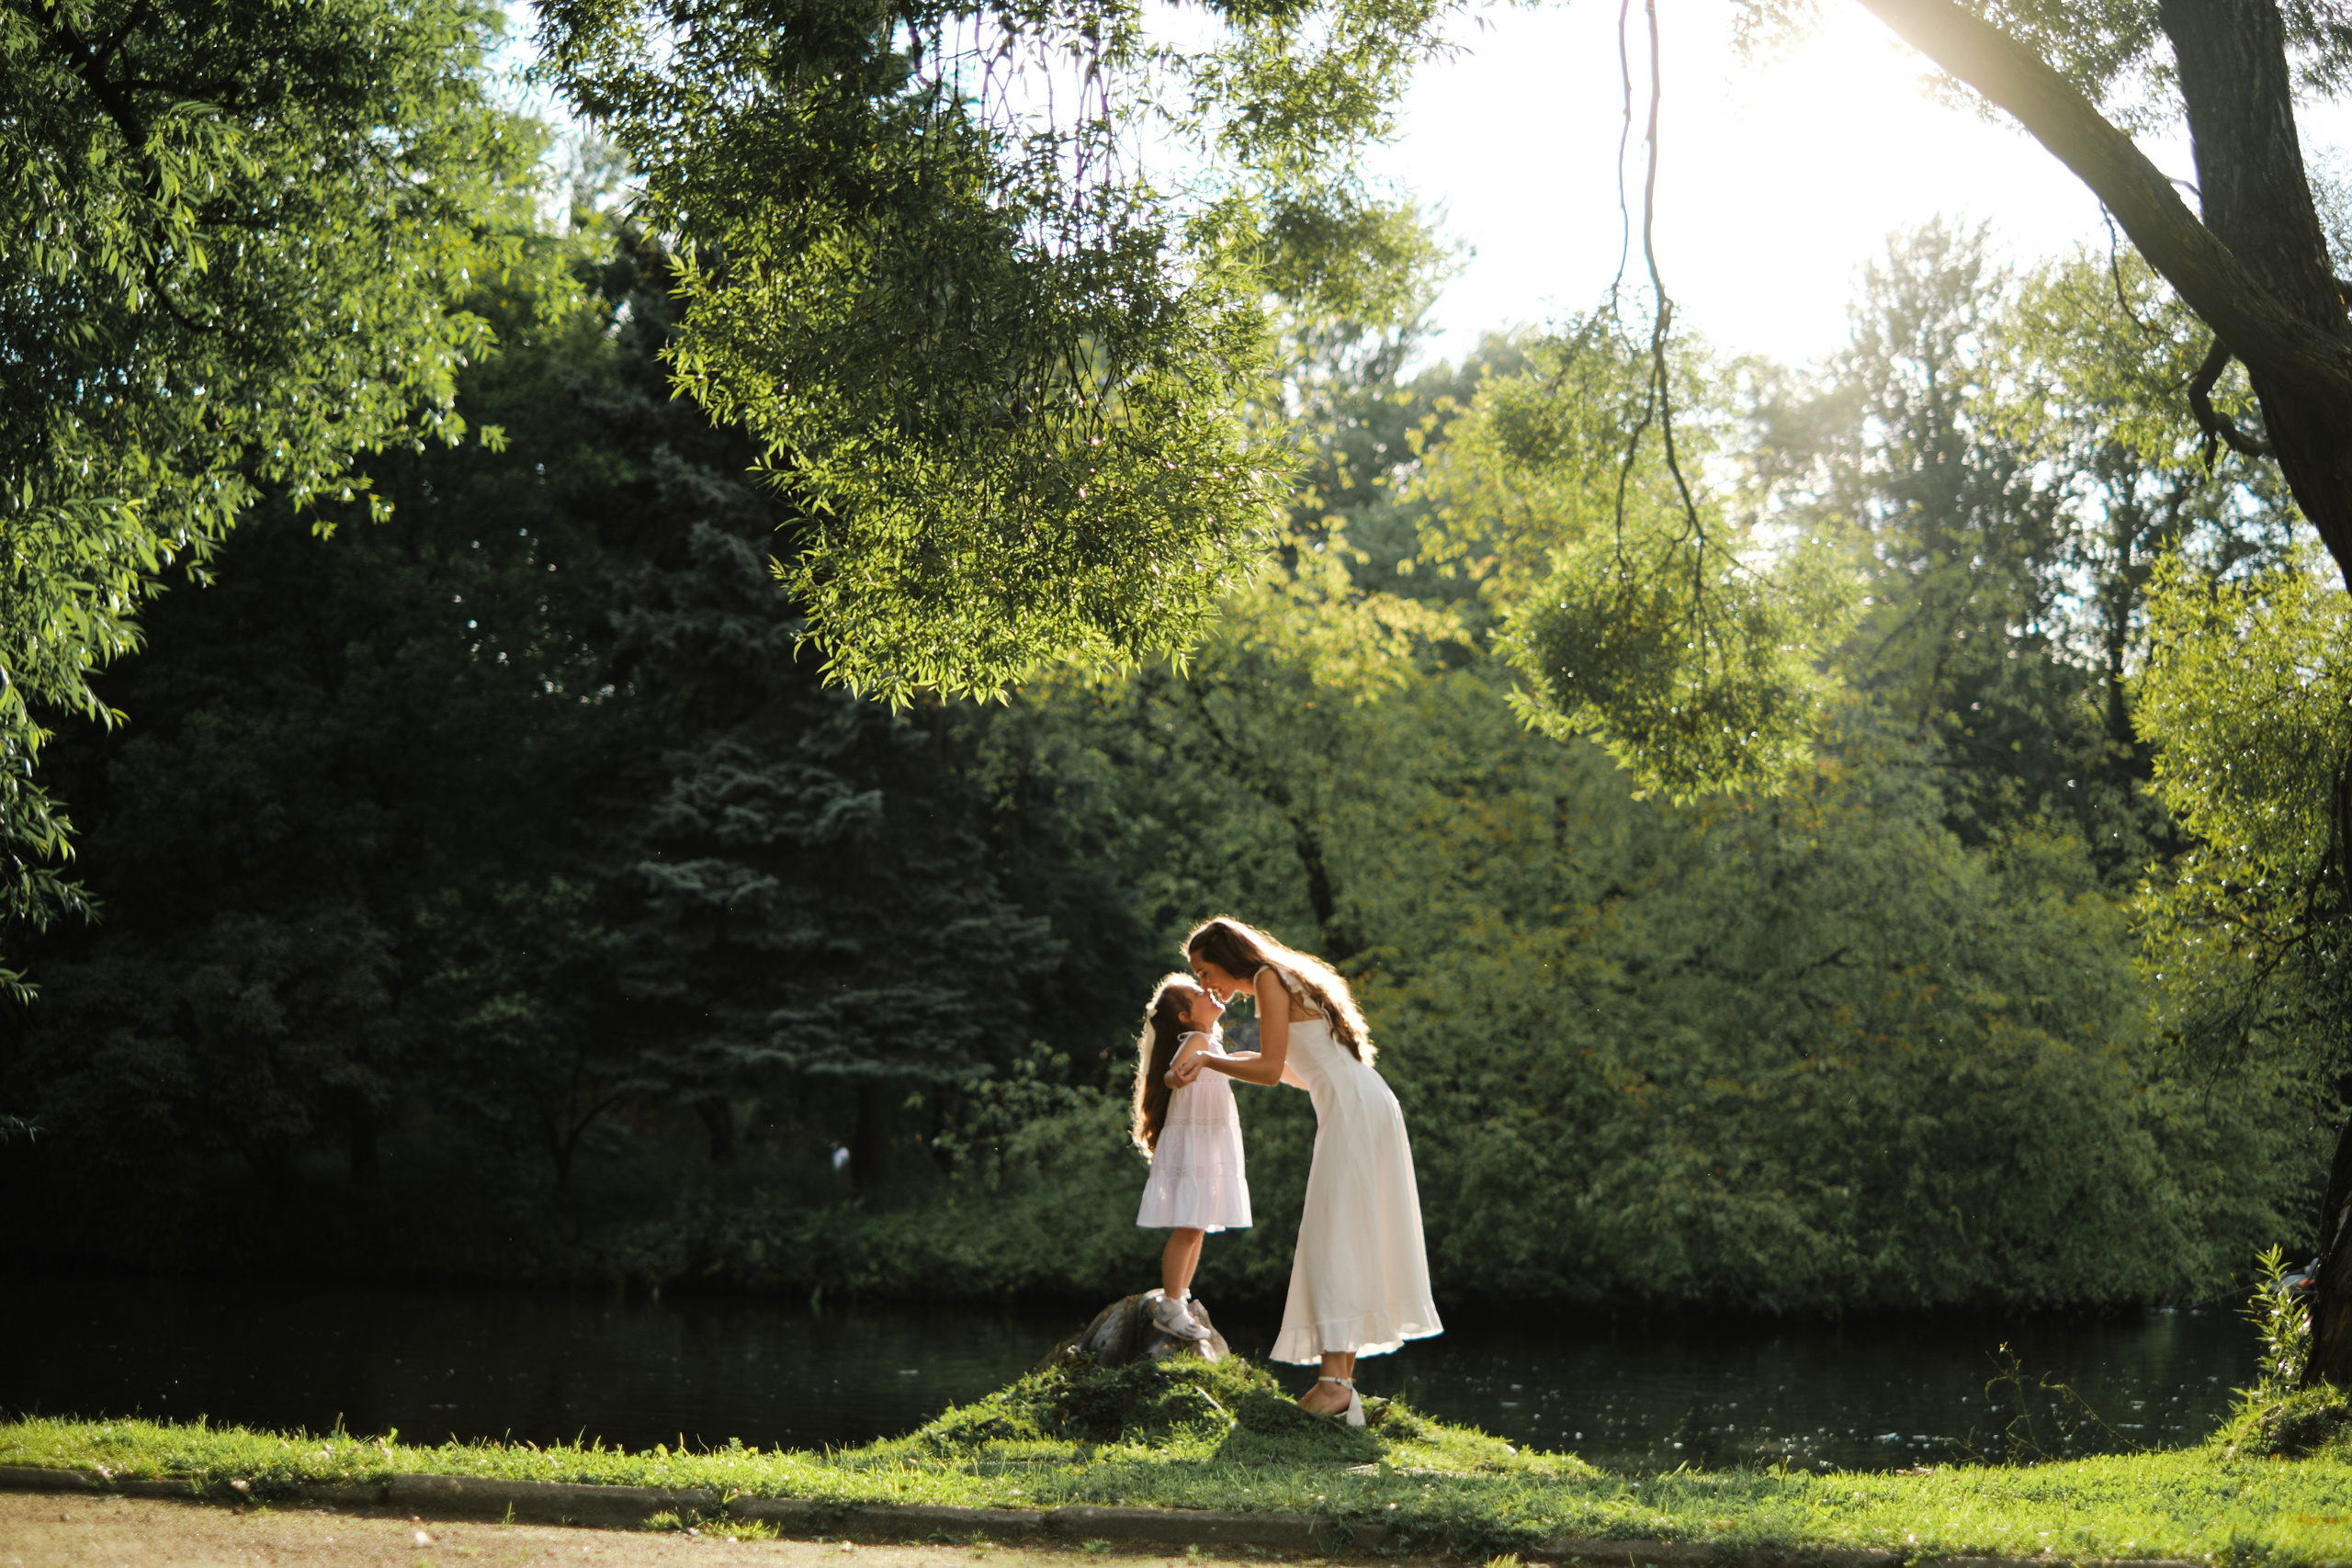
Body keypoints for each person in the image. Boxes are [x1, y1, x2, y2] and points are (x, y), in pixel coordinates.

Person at [1172, 916, 1441, 1424]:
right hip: (1364, 1103)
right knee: (1344, 1236)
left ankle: (1335, 1386)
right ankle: (1337, 1383)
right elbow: (1299, 1072)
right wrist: (1232, 1058)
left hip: (1354, 1112)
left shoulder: (1271, 978)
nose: (1205, 983)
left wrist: (1209, 1063)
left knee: (1336, 1235)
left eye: (1205, 970)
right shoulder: (1284, 977)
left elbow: (1271, 1074)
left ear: (1229, 957)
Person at [1131, 973, 1251, 1341]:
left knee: (1197, 1224)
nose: (1209, 990)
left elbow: (1241, 1059)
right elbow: (1171, 1073)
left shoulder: (1210, 1041)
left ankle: (1180, 1295)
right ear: (1184, 1016)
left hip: (1206, 1143)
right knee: (1190, 1225)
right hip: (1195, 1143)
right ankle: (1170, 1306)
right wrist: (1174, 1078)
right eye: (1198, 992)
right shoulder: (1196, 1040)